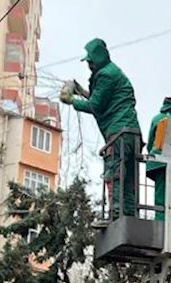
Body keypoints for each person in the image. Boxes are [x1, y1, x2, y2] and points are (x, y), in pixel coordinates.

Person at [60, 38, 141, 221]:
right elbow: (102, 99)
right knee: (128, 179)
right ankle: (129, 216)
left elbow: (96, 106)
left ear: (97, 58)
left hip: (118, 132)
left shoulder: (106, 75)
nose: (88, 65)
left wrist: (71, 100)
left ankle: (117, 215)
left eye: (90, 61)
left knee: (114, 174)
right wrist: (80, 91)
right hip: (131, 133)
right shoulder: (112, 72)